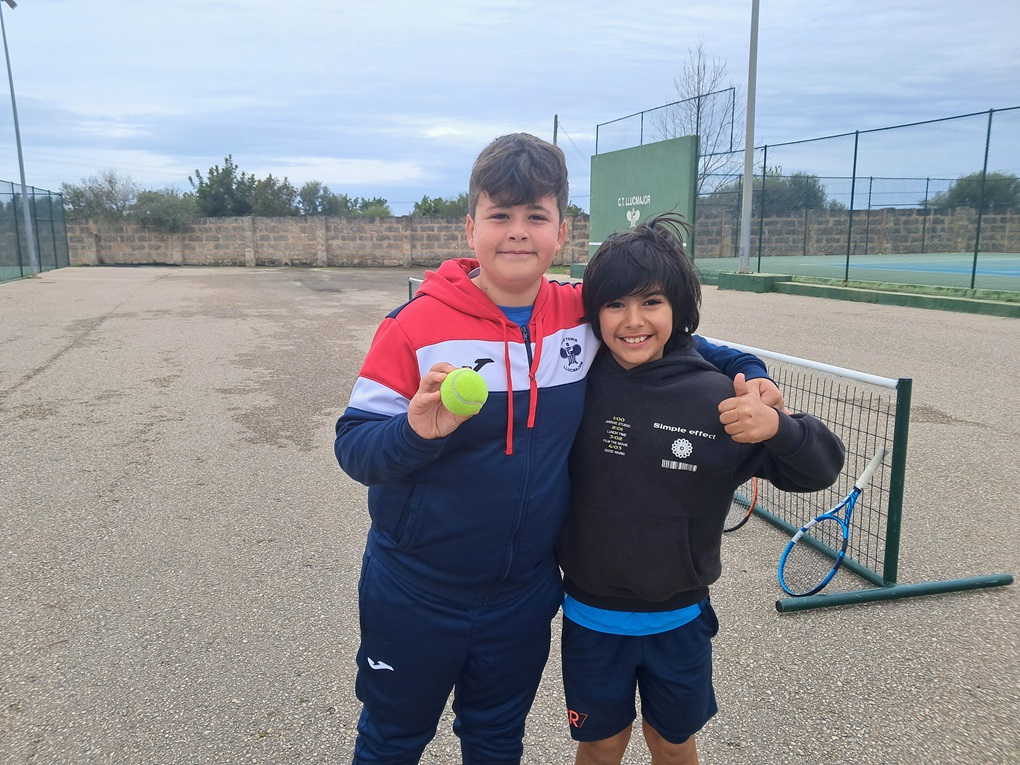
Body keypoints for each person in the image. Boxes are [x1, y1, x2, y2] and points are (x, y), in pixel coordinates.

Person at [333, 133, 784, 765]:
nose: (518, 232)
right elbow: (354, 446)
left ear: (562, 233)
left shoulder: (582, 315)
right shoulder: (413, 327)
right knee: (392, 739)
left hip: (524, 595)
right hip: (417, 589)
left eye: (536, 216)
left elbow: (677, 340)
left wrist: (751, 370)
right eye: (500, 215)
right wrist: (414, 434)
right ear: (471, 228)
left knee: (495, 738)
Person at [556, 212, 846, 765]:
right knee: (600, 742)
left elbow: (819, 470)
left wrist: (780, 428)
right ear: (594, 312)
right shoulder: (574, 380)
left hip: (680, 617)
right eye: (615, 304)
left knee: (671, 742)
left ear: (679, 309)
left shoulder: (718, 397)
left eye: (652, 302)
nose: (633, 321)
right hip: (591, 615)